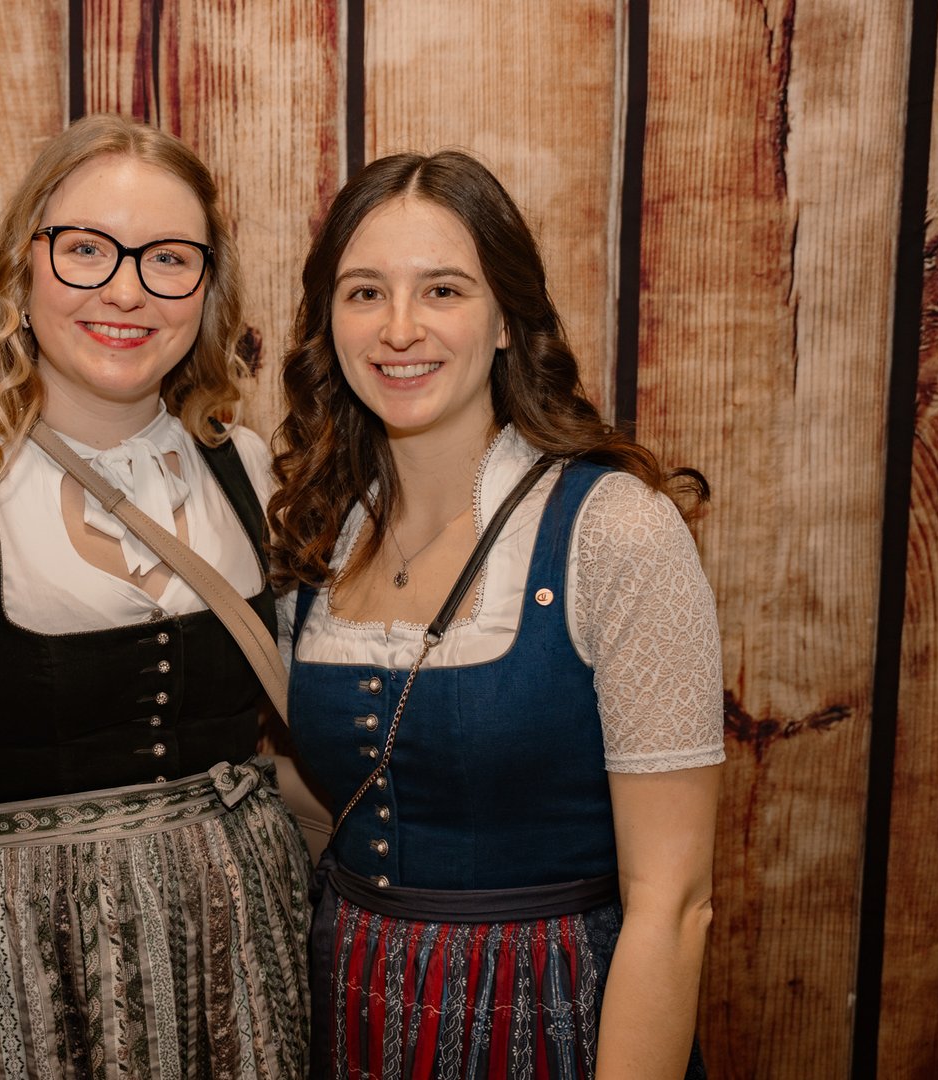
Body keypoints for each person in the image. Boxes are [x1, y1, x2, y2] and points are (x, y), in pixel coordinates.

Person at [0, 114, 311, 1080]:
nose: (126, 289)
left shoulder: (245, 471)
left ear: (206, 290)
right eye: (85, 249)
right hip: (23, 993)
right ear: (22, 268)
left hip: (244, 978)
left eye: (169, 258)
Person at [267, 150, 722, 1079]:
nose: (399, 328)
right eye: (364, 293)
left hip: (548, 1016)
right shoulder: (319, 537)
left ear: (508, 317)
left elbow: (674, 905)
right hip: (348, 1009)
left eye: (443, 290)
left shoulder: (613, 530)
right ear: (328, 322)